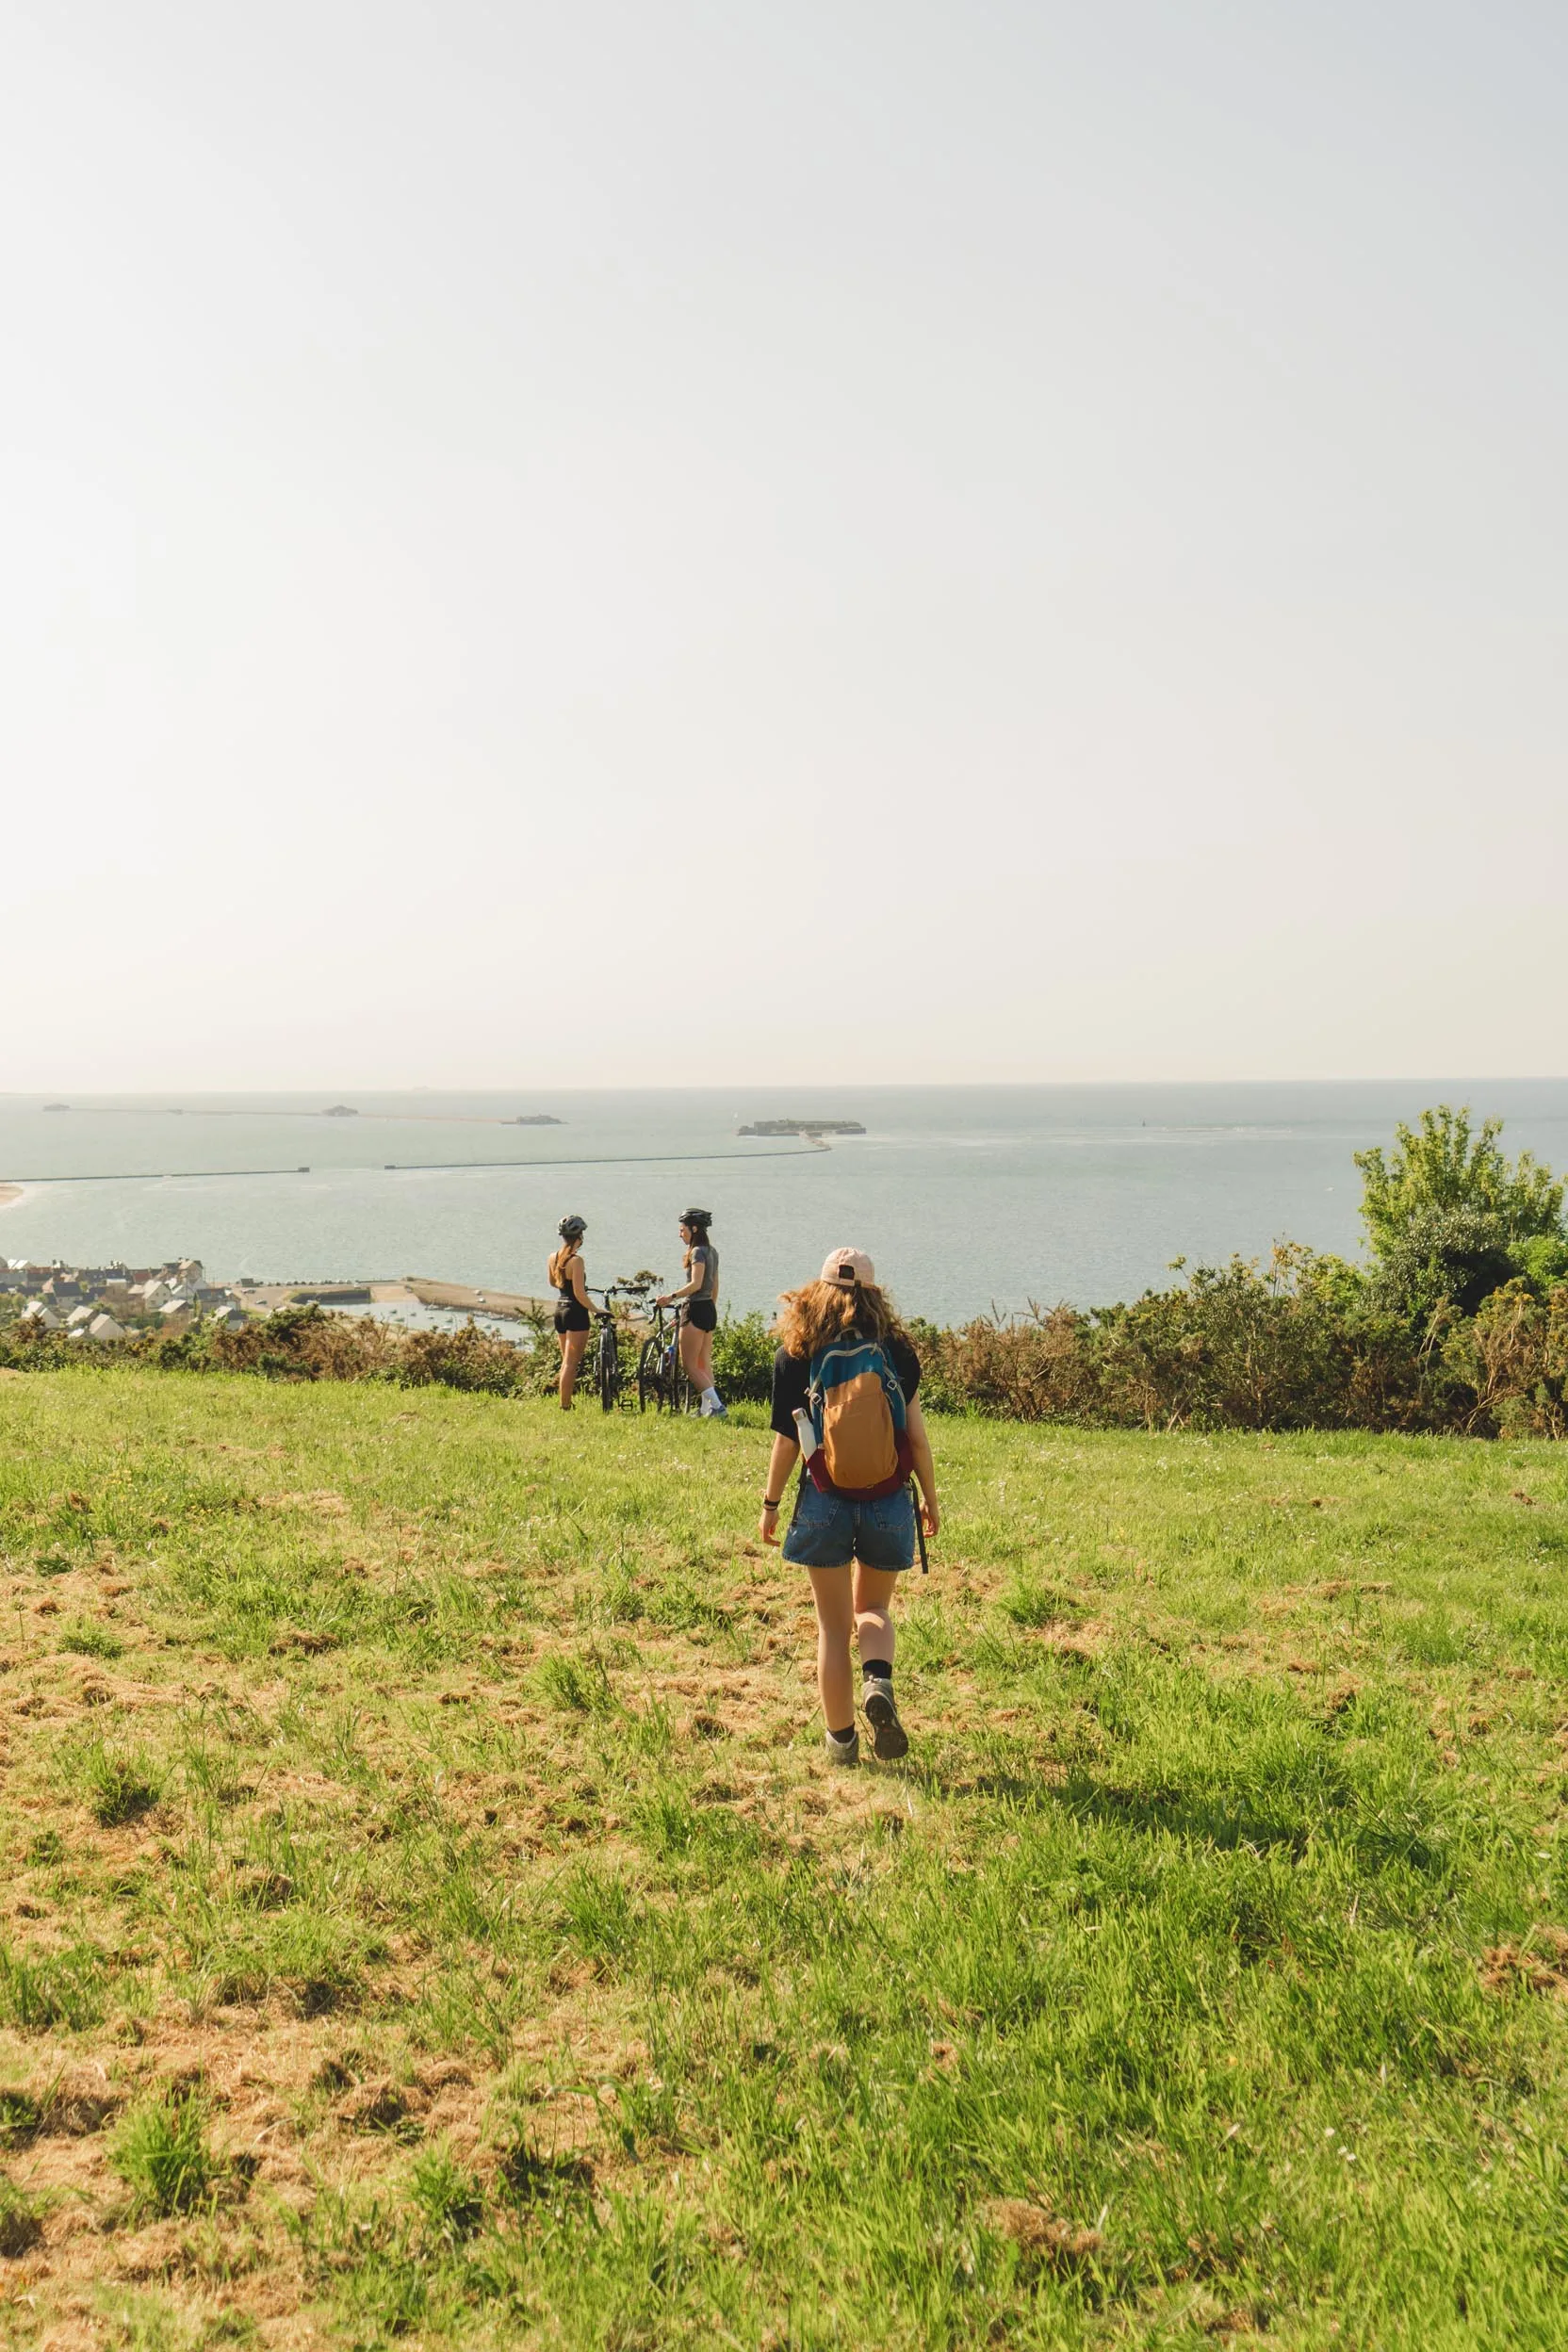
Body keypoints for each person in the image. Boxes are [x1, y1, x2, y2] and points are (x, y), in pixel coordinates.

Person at [759, 1247, 939, 1766]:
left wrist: (771, 1503)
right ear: (872, 1294)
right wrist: (929, 1498)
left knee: (834, 1629)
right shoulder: (897, 1351)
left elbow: (788, 1442)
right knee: (874, 1610)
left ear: (816, 1291)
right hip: (888, 1497)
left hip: (824, 1498)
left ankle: (842, 1745)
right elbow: (919, 1438)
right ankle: (878, 1680)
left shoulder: (797, 1351)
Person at [656, 1209, 727, 1418]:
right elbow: (714, 1286)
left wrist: (671, 1297)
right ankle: (706, 1410)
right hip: (708, 1309)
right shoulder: (712, 1251)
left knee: (690, 1366)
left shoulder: (697, 1252)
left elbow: (695, 1284)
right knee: (704, 1363)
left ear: (694, 1229)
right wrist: (710, 1307)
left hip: (695, 1309)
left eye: (682, 1229)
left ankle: (718, 1407)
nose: (680, 1234)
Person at [547, 1215, 593, 1410]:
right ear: (579, 1237)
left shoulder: (553, 1257)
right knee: (571, 1363)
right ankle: (565, 1405)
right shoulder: (577, 1261)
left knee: (565, 1361)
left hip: (560, 1310)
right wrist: (596, 1309)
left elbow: (553, 1282)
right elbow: (580, 1294)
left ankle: (566, 1402)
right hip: (575, 1312)